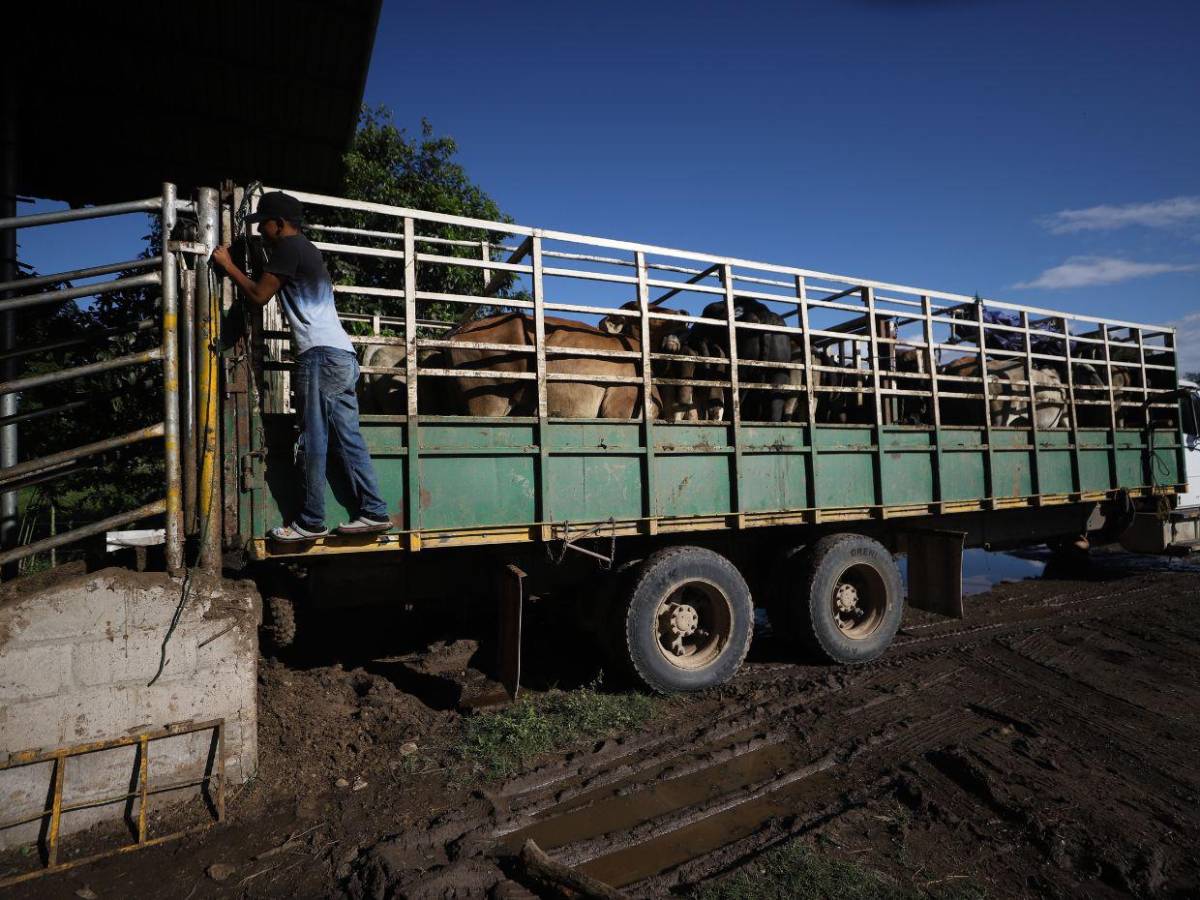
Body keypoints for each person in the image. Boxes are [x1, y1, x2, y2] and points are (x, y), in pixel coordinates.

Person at [212, 191, 392, 542]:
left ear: (279, 225)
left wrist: (228, 265)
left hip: (320, 357)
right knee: (348, 438)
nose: (261, 230)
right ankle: (373, 511)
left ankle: (311, 521)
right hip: (342, 355)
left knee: (313, 439)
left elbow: (259, 295)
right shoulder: (305, 250)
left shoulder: (289, 250)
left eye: (264, 224)